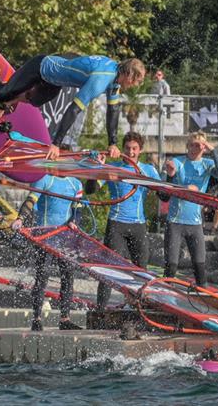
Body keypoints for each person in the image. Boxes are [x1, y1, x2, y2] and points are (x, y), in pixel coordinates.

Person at [0, 53, 146, 160]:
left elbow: (112, 112)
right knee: (1, 92)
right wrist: (55, 143)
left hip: (53, 82)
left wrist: (112, 142)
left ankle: (4, 103)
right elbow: (74, 109)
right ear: (129, 75)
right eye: (136, 81)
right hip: (41, 68)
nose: (135, 86)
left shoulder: (115, 78)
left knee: (33, 101)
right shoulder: (101, 80)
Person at [85, 131, 162, 309]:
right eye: (127, 148)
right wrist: (95, 170)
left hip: (139, 226)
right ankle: (101, 310)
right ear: (123, 149)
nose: (131, 152)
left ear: (140, 150)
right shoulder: (113, 168)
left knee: (141, 272)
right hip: (117, 225)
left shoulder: (149, 170)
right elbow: (91, 189)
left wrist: (170, 178)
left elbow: (164, 196)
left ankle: (137, 310)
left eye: (134, 149)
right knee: (110, 270)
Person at [13, 174, 83, 331]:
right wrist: (20, 218)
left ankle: (65, 319)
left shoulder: (76, 183)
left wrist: (74, 221)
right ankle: (36, 318)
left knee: (68, 275)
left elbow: (77, 210)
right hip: (44, 236)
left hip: (65, 237)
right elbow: (30, 201)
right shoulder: (44, 179)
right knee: (42, 275)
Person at [163, 132, 218, 286]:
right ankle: (163, 297)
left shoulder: (207, 164)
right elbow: (166, 191)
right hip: (175, 222)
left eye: (199, 145)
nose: (194, 148)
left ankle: (201, 300)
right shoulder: (178, 162)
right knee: (171, 266)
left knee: (200, 267)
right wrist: (177, 181)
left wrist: (213, 151)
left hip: (195, 224)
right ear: (187, 146)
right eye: (192, 144)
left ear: (204, 148)